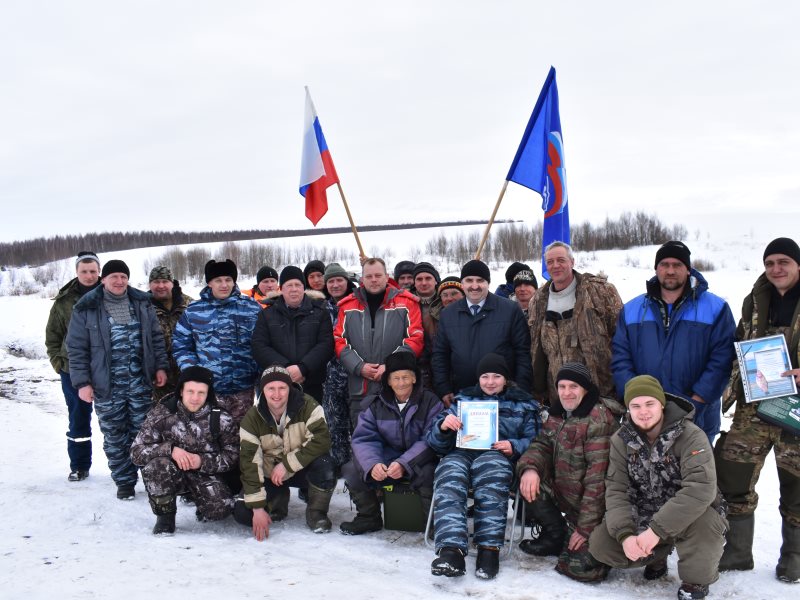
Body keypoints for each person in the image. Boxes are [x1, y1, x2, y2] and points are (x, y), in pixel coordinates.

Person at [588, 375, 727, 600]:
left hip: (691, 512)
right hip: (645, 510)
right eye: (636, 406)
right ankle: (657, 555)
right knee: (601, 544)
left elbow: (700, 489)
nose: (643, 411)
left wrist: (655, 532)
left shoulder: (692, 436)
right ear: (628, 409)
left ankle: (696, 581)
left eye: (649, 404)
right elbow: (616, 489)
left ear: (661, 403)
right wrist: (625, 535)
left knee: (706, 525)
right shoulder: (620, 440)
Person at [714, 237, 800, 583]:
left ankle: (793, 557)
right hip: (756, 404)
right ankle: (737, 552)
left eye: (784, 262)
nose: (776, 269)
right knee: (733, 473)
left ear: (797, 264)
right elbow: (740, 345)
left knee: (796, 484)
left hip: (795, 409)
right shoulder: (754, 299)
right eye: (770, 263)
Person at [427, 354, 542, 579]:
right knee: (449, 472)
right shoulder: (462, 401)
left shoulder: (523, 404)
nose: (490, 381)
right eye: (485, 376)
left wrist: (514, 445)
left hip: (497, 455)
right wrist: (443, 427)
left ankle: (489, 550)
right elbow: (434, 442)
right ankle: (451, 551)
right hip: (462, 453)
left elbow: (537, 440)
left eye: (497, 376)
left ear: (506, 378)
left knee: (492, 471)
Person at [612, 241, 736, 444]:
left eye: (677, 265)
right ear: (656, 269)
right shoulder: (633, 310)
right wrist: (638, 400)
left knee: (695, 474)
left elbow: (721, 359)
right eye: (664, 264)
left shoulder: (716, 308)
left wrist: (697, 401)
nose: (670, 271)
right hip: (645, 419)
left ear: (688, 270)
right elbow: (620, 358)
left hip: (698, 417)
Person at [66, 259, 168, 499]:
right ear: (104, 279)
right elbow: (76, 349)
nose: (119, 281)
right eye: (114, 277)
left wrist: (160, 367)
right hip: (106, 387)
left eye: (123, 276)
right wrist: (82, 383)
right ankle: (124, 482)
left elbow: (155, 339)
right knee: (114, 436)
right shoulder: (86, 308)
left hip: (140, 384)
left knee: (144, 434)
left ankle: (151, 480)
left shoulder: (142, 304)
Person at [517, 362, 624, 582]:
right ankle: (556, 536)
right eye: (562, 386)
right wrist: (530, 468)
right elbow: (542, 445)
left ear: (585, 388)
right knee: (524, 479)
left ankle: (596, 544)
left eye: (573, 386)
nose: (566, 393)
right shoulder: (559, 412)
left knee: (578, 569)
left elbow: (598, 483)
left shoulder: (598, 420)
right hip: (567, 496)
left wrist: (585, 529)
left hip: (596, 511)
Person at [340, 352, 443, 535]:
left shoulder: (430, 402)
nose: (401, 383)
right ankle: (368, 517)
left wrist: (404, 463)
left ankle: (432, 524)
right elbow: (364, 438)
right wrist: (373, 464)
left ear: (414, 378)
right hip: (387, 456)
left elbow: (429, 439)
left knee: (430, 472)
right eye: (395, 378)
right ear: (388, 381)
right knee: (352, 469)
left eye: (405, 377)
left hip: (419, 459)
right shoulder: (376, 404)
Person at [131, 366, 238, 535]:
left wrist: (201, 461)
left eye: (201, 393)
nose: (195, 398)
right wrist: (170, 450)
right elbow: (136, 451)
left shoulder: (221, 417)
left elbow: (232, 456)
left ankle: (200, 502)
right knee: (157, 465)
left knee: (220, 510)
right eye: (190, 391)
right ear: (181, 391)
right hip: (171, 472)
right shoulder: (162, 412)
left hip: (204, 473)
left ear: (208, 393)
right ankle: (165, 516)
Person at [234, 366, 336, 539]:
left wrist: (287, 464)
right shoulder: (251, 418)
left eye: (282, 388)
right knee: (244, 514)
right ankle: (277, 500)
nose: (277, 394)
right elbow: (249, 462)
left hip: (300, 468)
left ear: (290, 387)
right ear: (262, 390)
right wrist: (257, 508)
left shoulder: (309, 406)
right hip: (270, 473)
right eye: (270, 388)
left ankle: (316, 513)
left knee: (326, 465)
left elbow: (321, 440)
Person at [529, 241, 622, 406]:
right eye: (550, 262)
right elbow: (535, 349)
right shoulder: (537, 300)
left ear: (572, 262)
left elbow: (622, 339)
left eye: (561, 260)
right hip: (558, 398)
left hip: (601, 396)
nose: (555, 265)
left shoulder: (600, 291)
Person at [334, 257, 424, 427]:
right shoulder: (347, 306)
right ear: (362, 280)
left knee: (399, 440)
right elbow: (339, 340)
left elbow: (415, 339)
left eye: (378, 275)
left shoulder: (406, 303)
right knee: (363, 443)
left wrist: (390, 366)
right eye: (369, 276)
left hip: (397, 388)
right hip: (361, 389)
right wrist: (359, 367)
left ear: (386, 276)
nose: (374, 280)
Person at [172, 259, 261, 426]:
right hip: (209, 391)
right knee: (210, 438)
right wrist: (193, 372)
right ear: (209, 283)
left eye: (228, 280)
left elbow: (263, 343)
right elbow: (181, 345)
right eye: (218, 280)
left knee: (243, 437)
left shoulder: (251, 308)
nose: (224, 285)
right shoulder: (194, 311)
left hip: (243, 390)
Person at [432, 259, 531, 407]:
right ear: (462, 283)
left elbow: (523, 352)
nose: (474, 286)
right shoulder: (448, 314)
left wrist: (521, 389)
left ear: (488, 282)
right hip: (462, 394)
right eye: (469, 280)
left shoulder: (510, 310)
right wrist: (443, 388)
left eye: (480, 280)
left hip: (504, 396)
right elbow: (440, 354)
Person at [45, 251, 102, 482]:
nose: (89, 276)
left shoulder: (111, 293)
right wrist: (59, 364)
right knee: (78, 417)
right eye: (84, 271)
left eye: (92, 271)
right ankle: (79, 465)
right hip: (72, 371)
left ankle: (127, 468)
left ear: (99, 271)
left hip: (106, 368)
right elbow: (53, 335)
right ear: (77, 272)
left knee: (119, 420)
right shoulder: (64, 301)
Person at [251, 265, 334, 403]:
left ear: (303, 288)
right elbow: (259, 346)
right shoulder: (266, 314)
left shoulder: (320, 312)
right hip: (277, 383)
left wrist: (303, 368)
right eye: (289, 285)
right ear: (281, 289)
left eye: (298, 284)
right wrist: (285, 368)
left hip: (311, 383)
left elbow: (326, 344)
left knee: (312, 423)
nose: (294, 289)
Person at [320, 262, 357, 469]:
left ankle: (360, 467)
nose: (335, 285)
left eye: (339, 280)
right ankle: (341, 466)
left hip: (357, 372)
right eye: (331, 281)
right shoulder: (321, 308)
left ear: (346, 281)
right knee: (334, 424)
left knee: (358, 422)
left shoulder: (358, 302)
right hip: (331, 375)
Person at [148, 265, 193, 402]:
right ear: (150, 285)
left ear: (172, 283)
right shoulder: (144, 308)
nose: (161, 286)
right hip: (159, 378)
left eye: (165, 281)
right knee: (163, 417)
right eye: (156, 282)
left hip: (187, 374)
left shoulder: (189, 304)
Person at [412, 261, 442, 389]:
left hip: (443, 361)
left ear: (436, 281)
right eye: (419, 279)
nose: (424, 283)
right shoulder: (405, 302)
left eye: (428, 278)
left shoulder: (447, 300)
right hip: (416, 363)